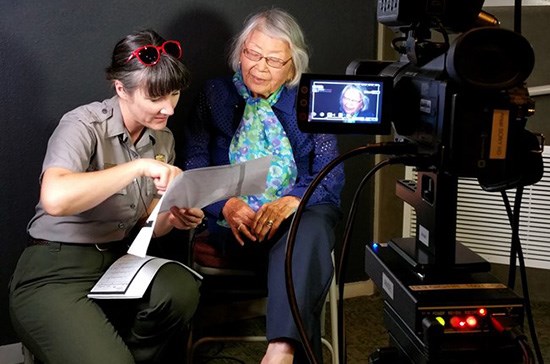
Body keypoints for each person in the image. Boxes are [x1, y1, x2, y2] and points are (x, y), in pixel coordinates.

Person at [9, 30, 204, 364]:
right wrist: (136, 168)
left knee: (180, 289)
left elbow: (145, 224)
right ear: (120, 89)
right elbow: (55, 198)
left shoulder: (163, 140)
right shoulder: (82, 124)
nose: (168, 108)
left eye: (174, 94)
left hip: (117, 262)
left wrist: (172, 217)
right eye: (155, 97)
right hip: (54, 269)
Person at [182, 8, 344, 364]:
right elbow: (194, 162)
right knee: (304, 252)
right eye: (252, 54)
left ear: (292, 65)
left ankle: (280, 351)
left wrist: (291, 200)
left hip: (295, 231)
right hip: (233, 230)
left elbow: (330, 174)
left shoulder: (311, 98)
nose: (259, 67)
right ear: (240, 52)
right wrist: (223, 204)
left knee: (309, 225)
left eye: (273, 59)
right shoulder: (215, 95)